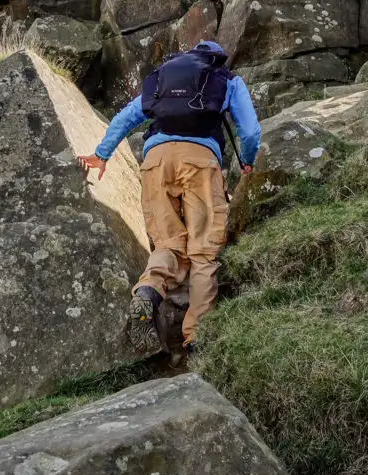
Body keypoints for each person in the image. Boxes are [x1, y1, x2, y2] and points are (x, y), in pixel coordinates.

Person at [78, 40, 261, 356]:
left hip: (156, 160)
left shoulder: (164, 76)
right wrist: (247, 159)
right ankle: (195, 338)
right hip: (201, 161)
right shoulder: (226, 78)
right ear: (215, 58)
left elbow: (126, 117)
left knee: (168, 244)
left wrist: (101, 154)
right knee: (204, 251)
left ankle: (148, 292)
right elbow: (251, 131)